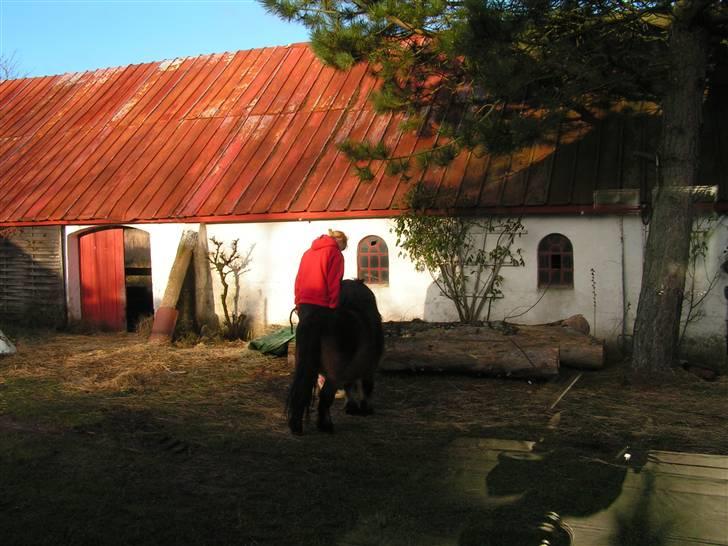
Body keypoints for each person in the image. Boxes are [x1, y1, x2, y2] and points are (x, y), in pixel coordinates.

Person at [287, 229, 348, 433]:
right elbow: (333, 283)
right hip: (323, 307)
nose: (342, 251)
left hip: (305, 307)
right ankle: (324, 412)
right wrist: (333, 306)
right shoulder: (335, 254)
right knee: (337, 357)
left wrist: (298, 302)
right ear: (339, 243)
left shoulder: (308, 252)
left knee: (304, 366)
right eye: (343, 248)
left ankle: (296, 418)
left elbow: (298, 280)